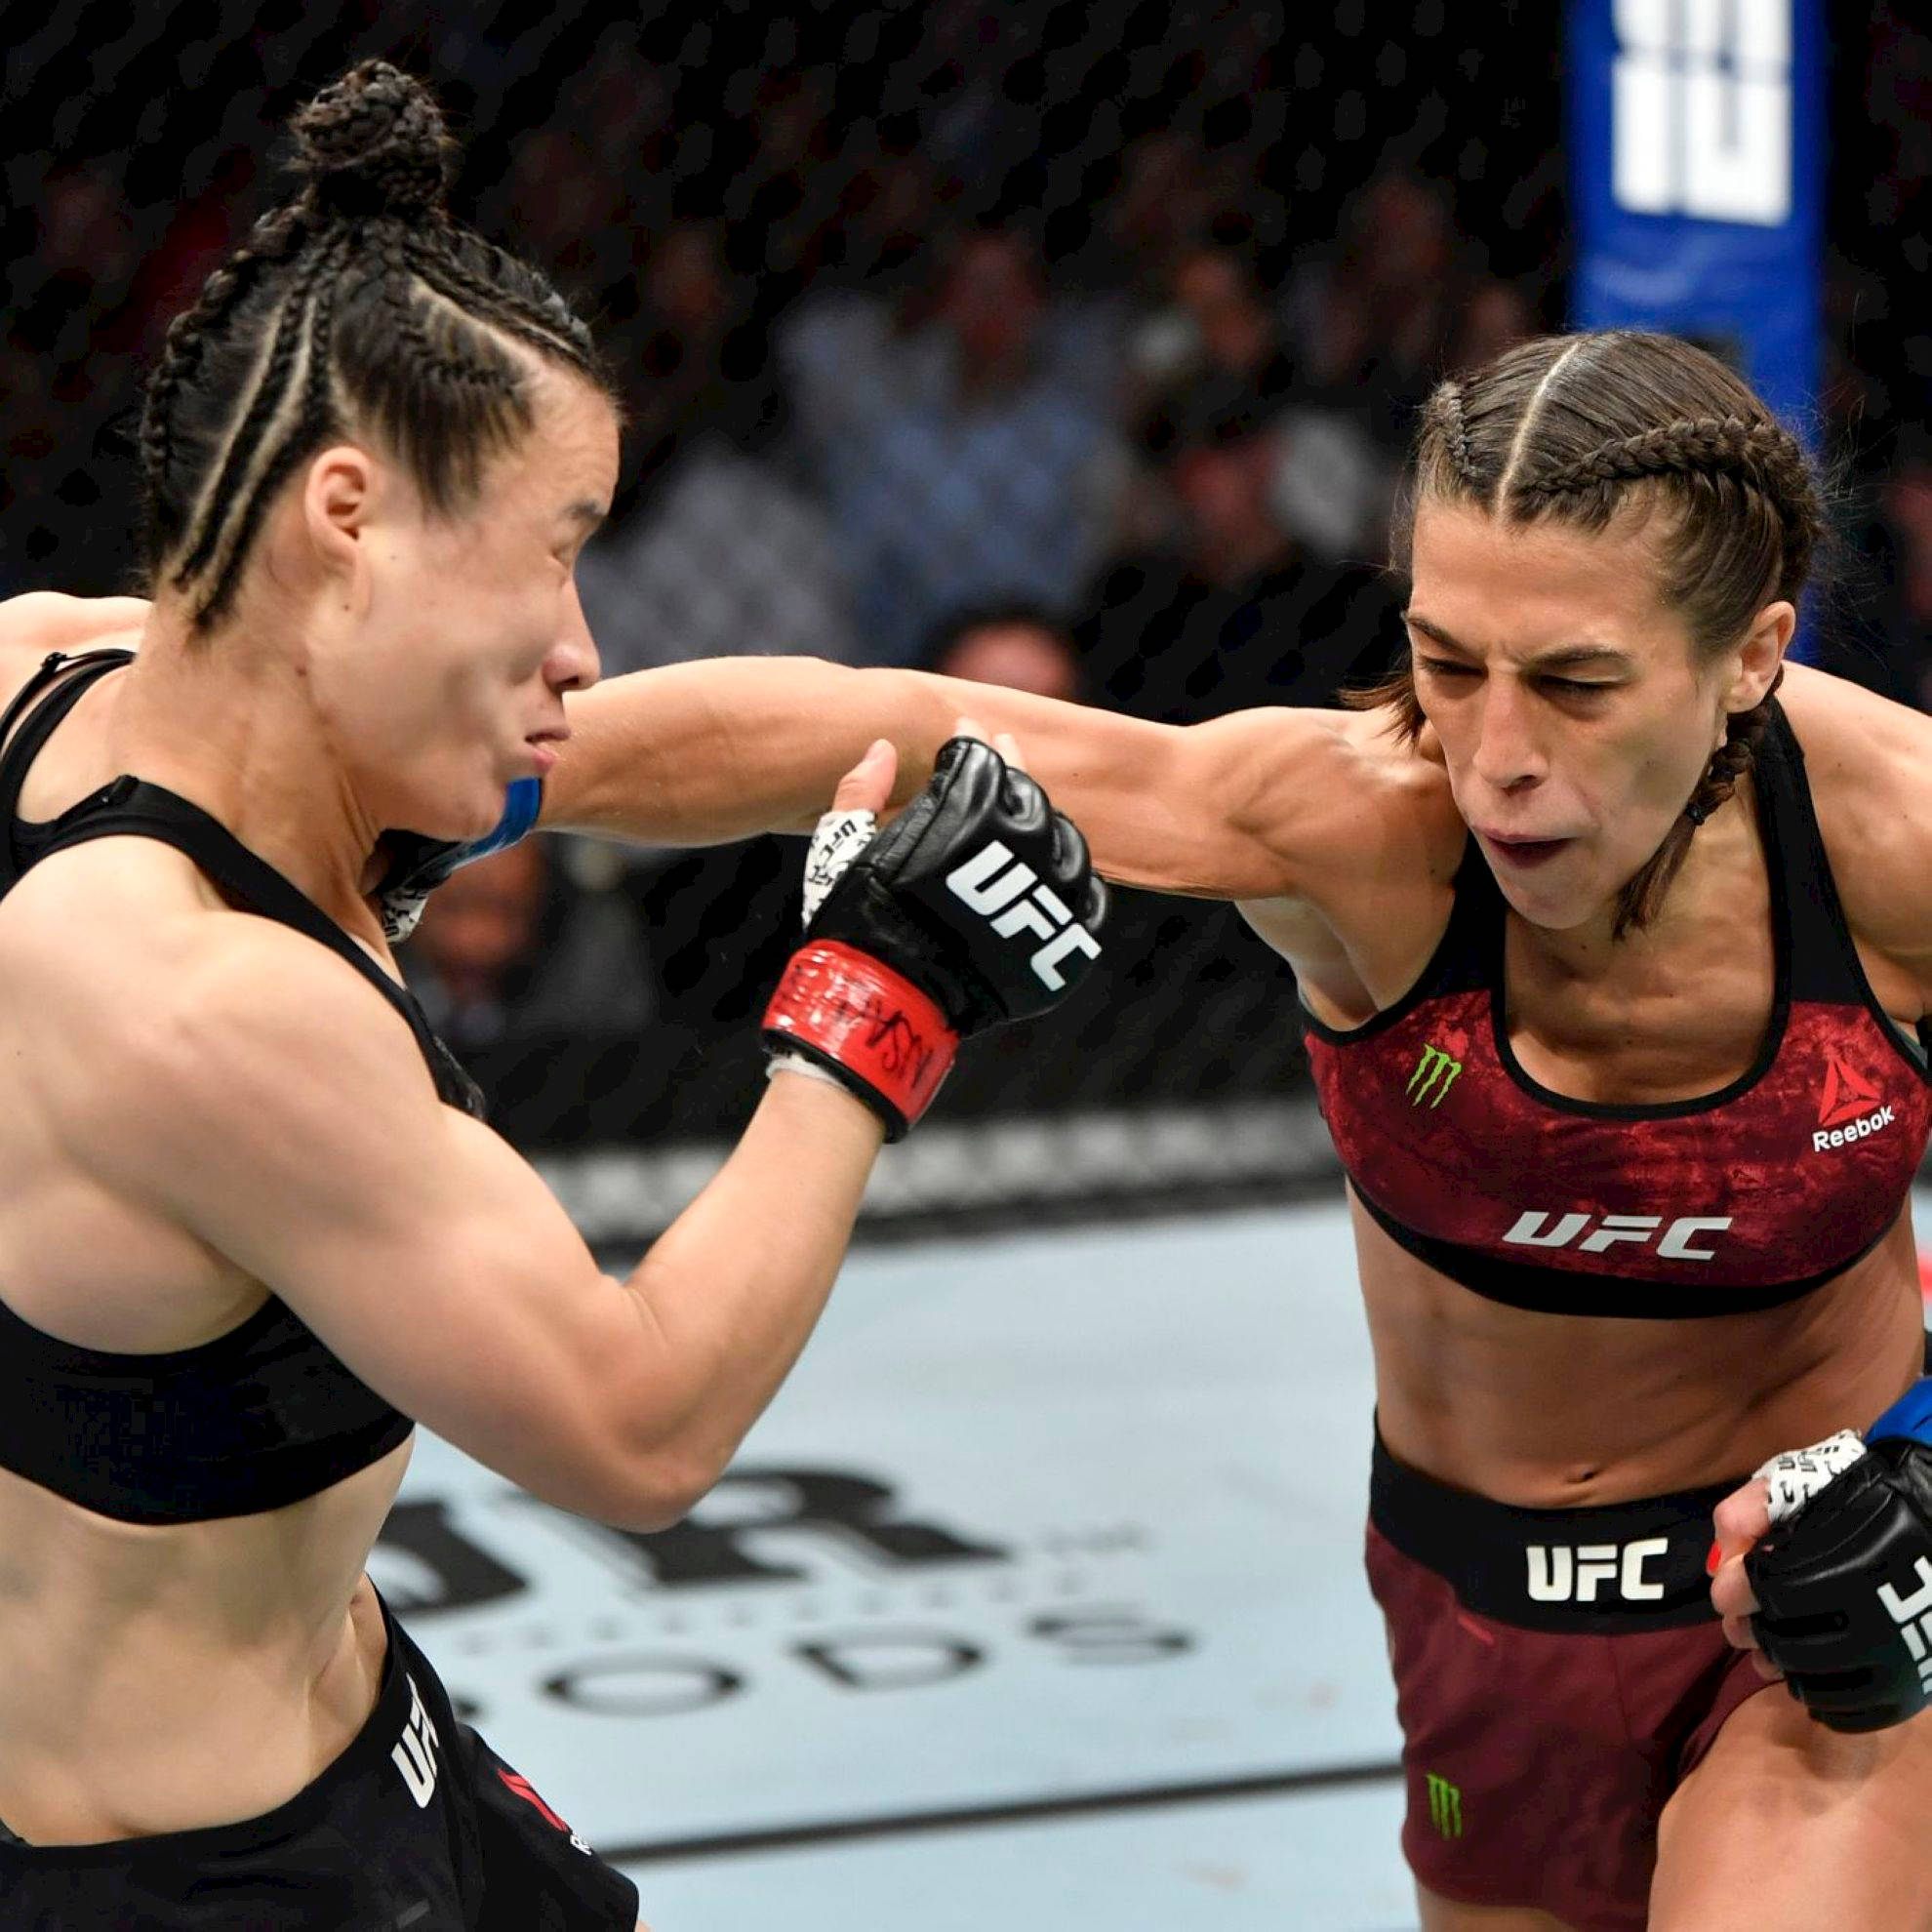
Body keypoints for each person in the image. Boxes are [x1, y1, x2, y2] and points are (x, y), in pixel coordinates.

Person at [508, 330, 1932, 1931]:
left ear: (1752, 656)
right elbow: (880, 728)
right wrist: (453, 779)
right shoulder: (1363, 831)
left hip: (1808, 1603)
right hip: (1473, 1612)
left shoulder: (1897, 842)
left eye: (1578, 684)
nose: (1498, 760)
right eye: (1448, 663)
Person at [0, 60, 1106, 1932]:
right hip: (206, 1885)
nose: (584, 644)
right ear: (350, 520)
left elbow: (681, 739)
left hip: (372, 1739)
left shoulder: (64, 677)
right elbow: (639, 1427)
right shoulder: (208, 1004)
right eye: (555, 549)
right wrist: (879, 1007)